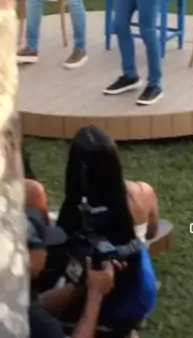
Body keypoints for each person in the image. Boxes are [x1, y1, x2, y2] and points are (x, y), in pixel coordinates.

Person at [56, 126, 157, 329]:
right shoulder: (142, 192)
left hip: (91, 301)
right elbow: (152, 232)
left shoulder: (72, 212)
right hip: (138, 290)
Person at [27, 206, 116, 338]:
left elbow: (33, 306)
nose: (47, 252)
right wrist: (95, 295)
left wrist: (80, 288)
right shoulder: (43, 325)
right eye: (42, 246)